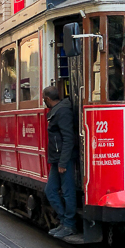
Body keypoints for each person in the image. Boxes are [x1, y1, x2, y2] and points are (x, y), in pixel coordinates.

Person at [43, 86, 78, 239]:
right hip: (58, 159)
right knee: (50, 190)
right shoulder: (59, 109)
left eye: (44, 99)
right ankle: (64, 221)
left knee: (67, 191)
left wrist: (63, 162)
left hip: (64, 159)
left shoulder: (62, 111)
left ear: (47, 99)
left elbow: (68, 138)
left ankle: (69, 224)